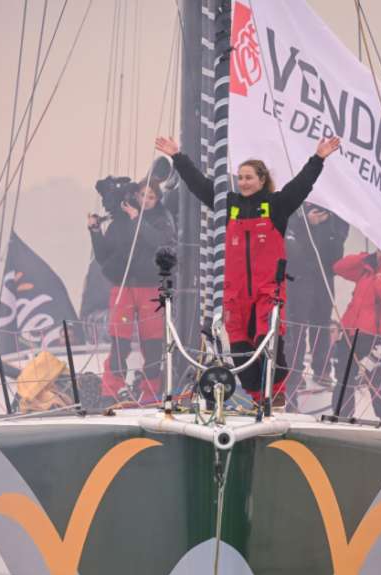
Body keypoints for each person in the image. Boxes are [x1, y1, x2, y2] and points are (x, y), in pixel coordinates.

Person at [155, 134, 341, 405]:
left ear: (262, 180)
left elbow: (302, 186)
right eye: (240, 177)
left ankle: (275, 397)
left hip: (268, 291)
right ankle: (257, 399)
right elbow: (199, 185)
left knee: (269, 345)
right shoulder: (228, 205)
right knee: (241, 353)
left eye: (249, 177)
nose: (243, 182)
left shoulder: (277, 206)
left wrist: (319, 158)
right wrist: (177, 156)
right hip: (236, 294)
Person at [88, 179, 175, 404]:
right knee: (119, 341)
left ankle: (151, 392)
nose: (146, 200)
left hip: (151, 287)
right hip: (124, 287)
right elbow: (103, 256)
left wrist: (137, 220)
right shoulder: (120, 222)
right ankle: (111, 391)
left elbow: (160, 242)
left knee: (153, 344)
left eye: (151, 197)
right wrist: (95, 231)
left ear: (158, 199)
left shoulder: (163, 219)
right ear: (135, 195)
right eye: (142, 195)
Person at [329, 250, 381, 418]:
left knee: (376, 381)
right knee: (344, 377)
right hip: (350, 332)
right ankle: (340, 416)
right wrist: (363, 258)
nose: (380, 251)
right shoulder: (367, 267)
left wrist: (380, 282)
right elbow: (339, 267)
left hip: (372, 337)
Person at [283, 203, 349, 400]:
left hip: (323, 276)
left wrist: (328, 226)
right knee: (298, 326)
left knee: (321, 324)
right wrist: (308, 223)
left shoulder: (336, 214)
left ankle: (322, 370)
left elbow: (336, 254)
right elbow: (291, 247)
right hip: (299, 277)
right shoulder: (296, 210)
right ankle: (295, 373)